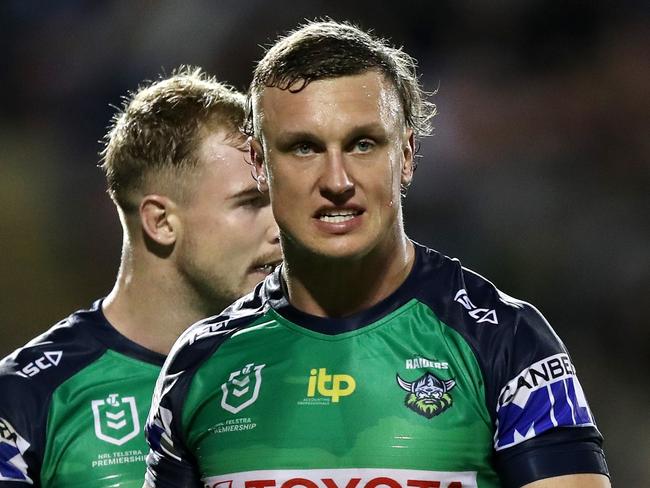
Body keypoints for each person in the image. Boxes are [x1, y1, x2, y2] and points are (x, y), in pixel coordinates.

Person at [143, 23, 610, 488]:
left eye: (363, 144)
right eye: (304, 148)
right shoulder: (198, 365)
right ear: (261, 166)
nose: (337, 182)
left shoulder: (507, 343)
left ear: (406, 154)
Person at [0, 67, 281, 487]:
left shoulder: (301, 367)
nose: (280, 228)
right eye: (250, 203)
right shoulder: (29, 398)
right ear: (161, 221)